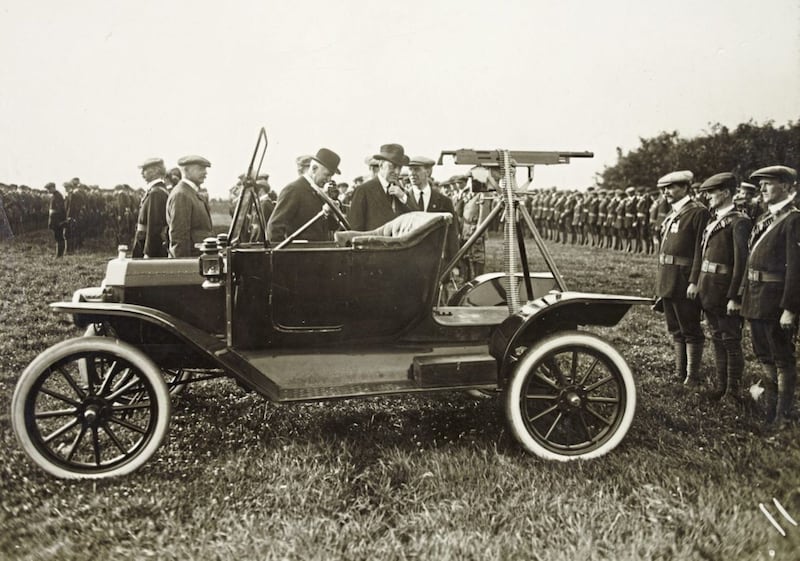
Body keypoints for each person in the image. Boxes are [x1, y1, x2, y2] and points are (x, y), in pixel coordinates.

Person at [740, 165, 800, 427]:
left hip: (776, 301)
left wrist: (790, 308)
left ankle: (782, 415)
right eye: (761, 184)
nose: (762, 189)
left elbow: (796, 269)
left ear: (787, 187)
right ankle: (770, 409)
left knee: (782, 358)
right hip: (756, 298)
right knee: (764, 355)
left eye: (769, 183)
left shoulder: (794, 219)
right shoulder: (767, 217)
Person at [695, 173, 751, 403]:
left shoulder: (739, 221)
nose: (707, 196)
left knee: (730, 340)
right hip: (710, 288)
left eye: (712, 192)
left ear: (726, 193)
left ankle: (733, 392)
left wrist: (735, 296)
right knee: (717, 338)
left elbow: (741, 263)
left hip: (725, 291)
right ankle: (721, 386)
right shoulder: (714, 220)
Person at [655, 170, 710, 386]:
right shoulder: (673, 213)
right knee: (675, 329)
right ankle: (681, 372)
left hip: (684, 279)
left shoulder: (698, 212)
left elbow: (700, 250)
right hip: (668, 278)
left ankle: (692, 376)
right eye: (665, 188)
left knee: (690, 329)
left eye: (672, 187)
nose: (667, 192)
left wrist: (695, 281)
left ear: (686, 188)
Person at [267, 148, 342, 242]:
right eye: (327, 175)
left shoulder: (318, 192)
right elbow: (274, 227)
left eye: (331, 176)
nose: (329, 179)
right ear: (314, 169)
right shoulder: (294, 189)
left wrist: (332, 213)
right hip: (301, 254)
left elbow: (330, 227)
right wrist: (283, 254)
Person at [347, 144, 412, 231]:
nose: (397, 172)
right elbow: (355, 229)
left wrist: (403, 196)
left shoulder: (401, 192)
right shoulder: (363, 190)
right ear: (381, 164)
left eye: (400, 167)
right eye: (392, 166)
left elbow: (415, 216)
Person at [406, 155, 459, 262]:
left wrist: (453, 264)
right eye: (410, 169)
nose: (412, 173)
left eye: (416, 169)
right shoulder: (402, 199)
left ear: (428, 172)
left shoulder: (444, 201)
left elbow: (452, 234)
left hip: (435, 260)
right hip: (408, 260)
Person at [167, 155, 213, 257]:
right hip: (191, 262)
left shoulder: (190, 193)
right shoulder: (182, 195)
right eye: (201, 169)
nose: (205, 173)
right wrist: (182, 268)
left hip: (198, 260)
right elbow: (179, 237)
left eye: (205, 169)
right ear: (186, 170)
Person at [132, 158, 169, 258]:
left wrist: (149, 253)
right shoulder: (157, 190)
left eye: (145, 170)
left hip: (147, 246)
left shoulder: (156, 193)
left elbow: (154, 226)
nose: (142, 173)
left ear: (156, 171)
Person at [44, 182, 66, 256]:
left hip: (57, 220)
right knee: (57, 236)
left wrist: (59, 220)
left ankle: (59, 255)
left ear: (53, 188)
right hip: (55, 219)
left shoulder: (58, 196)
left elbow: (60, 209)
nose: (48, 191)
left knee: (59, 237)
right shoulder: (55, 195)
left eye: (49, 189)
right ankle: (59, 254)